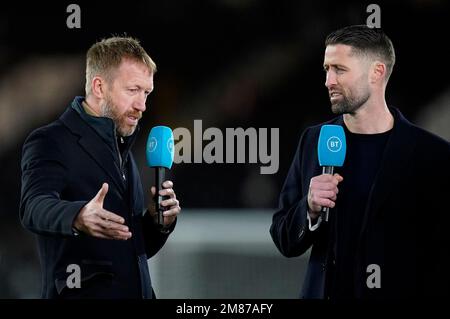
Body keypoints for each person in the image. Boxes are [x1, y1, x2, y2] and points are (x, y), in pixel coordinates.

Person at [270, 25, 450, 299]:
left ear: (377, 72)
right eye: (326, 69)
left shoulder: (432, 155)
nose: (328, 81)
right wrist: (309, 208)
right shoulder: (314, 140)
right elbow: (283, 238)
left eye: (339, 69)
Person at [20, 36, 181, 299]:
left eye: (146, 93)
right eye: (133, 90)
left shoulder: (123, 151)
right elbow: (33, 206)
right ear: (99, 87)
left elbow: (126, 251)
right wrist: (78, 215)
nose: (142, 105)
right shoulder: (51, 140)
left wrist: (156, 222)